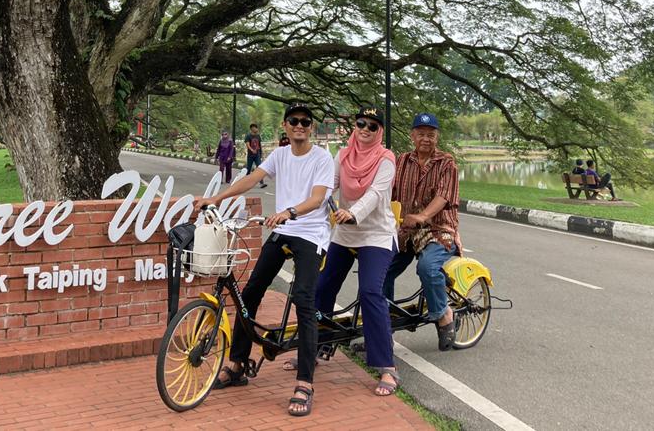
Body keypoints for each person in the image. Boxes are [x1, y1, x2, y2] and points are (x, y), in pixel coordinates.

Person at [194, 103, 334, 417]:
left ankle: (305, 383)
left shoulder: (322, 157)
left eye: (305, 122)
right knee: (250, 292)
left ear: (310, 127)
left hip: (311, 233)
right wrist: (216, 198)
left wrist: (289, 212)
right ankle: (238, 363)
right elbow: (252, 178)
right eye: (294, 122)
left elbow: (317, 198)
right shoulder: (280, 155)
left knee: (304, 301)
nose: (300, 126)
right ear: (285, 126)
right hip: (283, 231)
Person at [313, 105, 400, 396]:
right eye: (361, 123)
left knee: (370, 293)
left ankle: (387, 367)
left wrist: (354, 212)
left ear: (380, 132)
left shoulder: (386, 159)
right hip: (345, 232)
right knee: (323, 286)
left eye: (372, 126)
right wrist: (314, 204)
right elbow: (330, 186)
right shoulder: (343, 154)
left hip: (376, 234)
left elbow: (376, 194)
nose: (365, 129)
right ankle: (318, 346)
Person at [383, 112, 461, 351]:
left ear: (437, 137)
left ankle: (443, 314)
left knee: (427, 267)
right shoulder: (402, 161)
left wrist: (423, 216)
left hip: (438, 229)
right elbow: (388, 191)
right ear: (412, 136)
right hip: (407, 231)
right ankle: (382, 328)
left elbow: (444, 196)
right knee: (380, 269)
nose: (425, 139)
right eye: (421, 134)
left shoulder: (446, 163)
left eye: (430, 134)